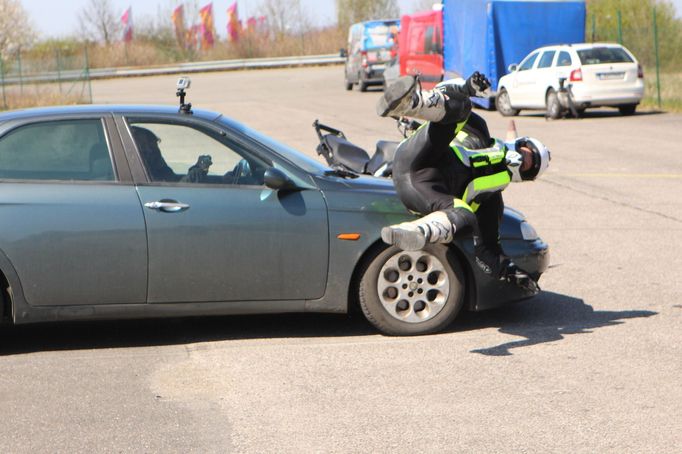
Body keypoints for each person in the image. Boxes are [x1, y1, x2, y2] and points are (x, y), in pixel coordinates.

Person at [376, 74, 550, 291]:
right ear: (518, 143)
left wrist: (509, 272)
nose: (522, 160)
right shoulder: (479, 130)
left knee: (466, 217)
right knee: (462, 108)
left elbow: (486, 252)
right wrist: (468, 87)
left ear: (523, 177)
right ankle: (410, 103)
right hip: (415, 158)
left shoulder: (491, 203)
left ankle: (416, 233)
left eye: (527, 165)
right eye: (525, 154)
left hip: (421, 193)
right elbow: (450, 95)